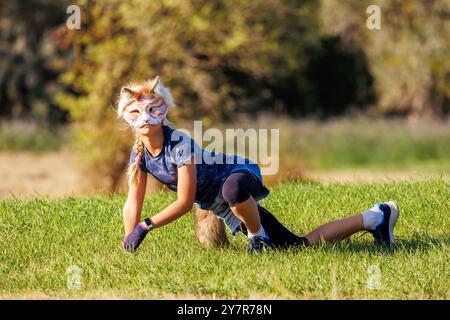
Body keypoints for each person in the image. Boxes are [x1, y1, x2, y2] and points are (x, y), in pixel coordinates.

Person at [118, 76, 400, 253]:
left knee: (232, 189)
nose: (145, 118)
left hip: (240, 175)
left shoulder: (179, 143)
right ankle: (377, 217)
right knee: (297, 246)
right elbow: (134, 199)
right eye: (137, 113)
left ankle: (257, 237)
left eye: (153, 110)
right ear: (127, 117)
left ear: (164, 110)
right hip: (223, 206)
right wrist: (128, 237)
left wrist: (144, 227)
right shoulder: (139, 153)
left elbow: (185, 200)